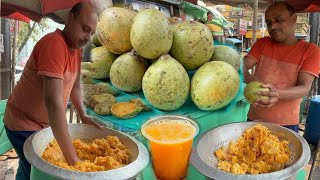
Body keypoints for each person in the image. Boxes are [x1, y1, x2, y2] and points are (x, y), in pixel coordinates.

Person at [3, 2, 102, 180]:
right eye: (85, 29)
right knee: (35, 172)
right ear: (70, 19)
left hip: (43, 125)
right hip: (23, 124)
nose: (88, 37)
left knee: (26, 169)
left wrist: (83, 115)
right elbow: (54, 103)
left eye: (91, 33)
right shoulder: (54, 45)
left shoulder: (77, 50)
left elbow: (75, 87)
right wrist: (74, 160)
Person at [244, 2, 320, 133]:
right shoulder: (262, 43)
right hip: (255, 119)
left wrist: (276, 93)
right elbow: (242, 67)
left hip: (286, 124)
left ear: (294, 18)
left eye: (279, 20)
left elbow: (304, 88)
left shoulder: (310, 51)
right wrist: (253, 85)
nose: (273, 26)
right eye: (269, 22)